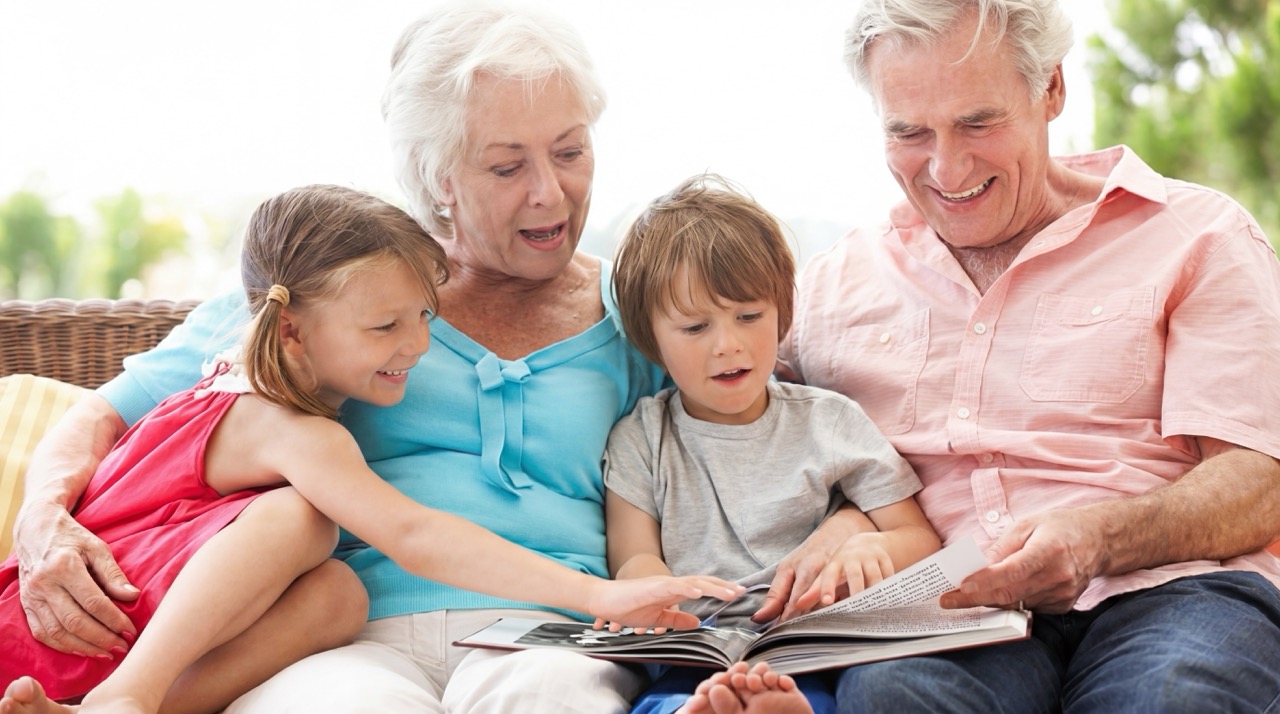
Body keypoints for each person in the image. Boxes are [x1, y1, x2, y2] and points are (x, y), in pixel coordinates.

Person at [8, 5, 777, 713]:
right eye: (507, 167)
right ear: (437, 177)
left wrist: (854, 529)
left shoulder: (643, 308)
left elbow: (757, 424)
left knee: (554, 698)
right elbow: (105, 412)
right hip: (340, 627)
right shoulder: (333, 295)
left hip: (552, 631)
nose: (550, 192)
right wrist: (41, 522)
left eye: (570, 151)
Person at [776, 0, 1280, 711]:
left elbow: (1258, 482)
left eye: (978, 122)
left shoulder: (1198, 236)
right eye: (910, 132)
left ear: (1050, 89)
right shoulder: (828, 287)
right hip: (954, 607)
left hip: (1174, 590)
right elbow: (722, 410)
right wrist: (852, 518)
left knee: (1174, 697)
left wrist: (1097, 538)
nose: (947, 168)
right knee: (896, 695)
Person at [605, 174, 941, 714]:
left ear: (782, 311)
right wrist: (652, 591)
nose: (728, 344)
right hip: (691, 652)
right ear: (651, 337)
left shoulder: (829, 420)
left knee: (814, 697)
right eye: (694, 328)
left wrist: (872, 547)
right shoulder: (641, 438)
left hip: (813, 650)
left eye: (749, 316)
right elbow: (633, 556)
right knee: (663, 702)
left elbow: (917, 537)